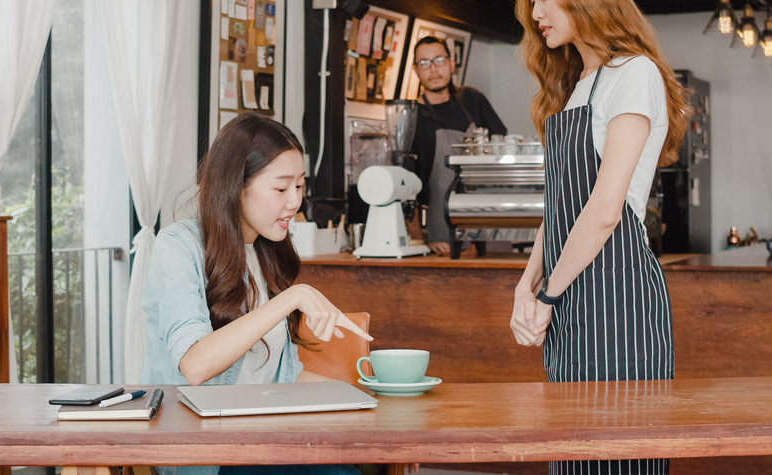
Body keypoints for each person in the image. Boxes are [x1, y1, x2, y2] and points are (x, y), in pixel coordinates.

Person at [508, 0, 689, 475]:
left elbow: (606, 209)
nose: (535, 11)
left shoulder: (632, 75)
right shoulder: (578, 83)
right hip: (569, 290)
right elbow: (561, 204)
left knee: (616, 453)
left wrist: (549, 292)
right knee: (573, 452)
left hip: (616, 296)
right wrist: (527, 282)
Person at [141, 113, 372, 475]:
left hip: (264, 438)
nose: (295, 201)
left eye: (299, 186)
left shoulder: (266, 249)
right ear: (236, 185)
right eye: (281, 189)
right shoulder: (179, 246)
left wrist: (373, 398)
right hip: (209, 451)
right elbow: (195, 366)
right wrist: (290, 299)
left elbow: (284, 377)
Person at [409, 36, 507, 256]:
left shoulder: (473, 100)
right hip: (443, 234)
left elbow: (501, 150)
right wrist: (419, 241)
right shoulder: (415, 117)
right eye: (424, 63)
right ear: (416, 70)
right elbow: (409, 187)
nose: (433, 69)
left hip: (488, 222)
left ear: (452, 64)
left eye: (439, 60)